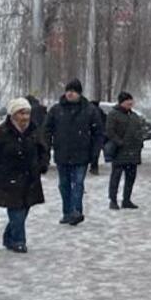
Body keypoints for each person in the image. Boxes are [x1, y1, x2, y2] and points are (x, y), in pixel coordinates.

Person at [44, 79, 103, 226]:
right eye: (68, 90)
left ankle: (76, 211)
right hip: (62, 153)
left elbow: (98, 133)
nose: (70, 93)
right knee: (64, 185)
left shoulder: (89, 110)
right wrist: (48, 145)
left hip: (82, 154)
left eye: (74, 91)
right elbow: (46, 129)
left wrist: (94, 153)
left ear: (79, 93)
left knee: (78, 184)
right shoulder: (56, 110)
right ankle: (67, 212)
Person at [0, 97, 48, 251]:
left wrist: (42, 164)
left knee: (24, 209)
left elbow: (43, 149)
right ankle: (19, 241)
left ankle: (9, 237)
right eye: (21, 113)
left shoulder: (34, 131)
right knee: (16, 210)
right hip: (8, 178)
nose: (25, 117)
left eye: (27, 113)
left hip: (30, 177)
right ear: (12, 115)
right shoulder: (1, 133)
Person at [103, 91, 147, 210]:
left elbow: (139, 131)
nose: (130, 102)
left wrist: (140, 143)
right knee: (116, 177)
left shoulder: (134, 116)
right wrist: (119, 142)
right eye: (127, 100)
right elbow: (110, 131)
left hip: (133, 152)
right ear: (121, 102)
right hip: (119, 151)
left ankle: (126, 200)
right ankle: (113, 200)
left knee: (131, 177)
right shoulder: (113, 114)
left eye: (131, 100)